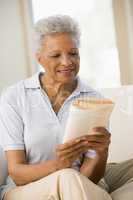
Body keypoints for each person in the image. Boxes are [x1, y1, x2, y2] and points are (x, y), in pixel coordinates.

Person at [0, 14, 133, 200]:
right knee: (68, 176)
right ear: (39, 58)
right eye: (56, 55)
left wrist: (101, 153)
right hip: (27, 188)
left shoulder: (94, 99)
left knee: (76, 178)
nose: (67, 62)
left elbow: (90, 177)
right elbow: (17, 172)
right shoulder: (14, 97)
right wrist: (59, 165)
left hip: (78, 183)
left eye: (73, 53)